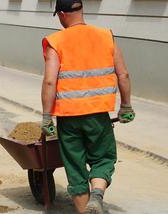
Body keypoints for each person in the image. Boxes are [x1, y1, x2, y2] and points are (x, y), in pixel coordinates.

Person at [41, 0, 135, 214]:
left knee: (75, 167)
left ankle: (85, 211)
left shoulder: (56, 41)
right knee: (103, 158)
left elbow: (49, 81)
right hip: (98, 115)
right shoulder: (105, 35)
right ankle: (97, 196)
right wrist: (126, 106)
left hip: (68, 117)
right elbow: (123, 74)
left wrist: (47, 117)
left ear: (62, 14)